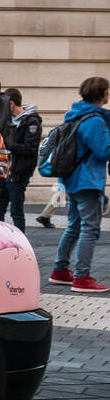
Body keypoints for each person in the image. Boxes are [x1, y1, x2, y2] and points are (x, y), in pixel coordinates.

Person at [49, 77, 110, 293]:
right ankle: (82, 277)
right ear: (103, 93)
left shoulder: (75, 116)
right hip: (88, 181)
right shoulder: (94, 121)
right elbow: (104, 151)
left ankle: (60, 270)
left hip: (72, 180)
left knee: (74, 227)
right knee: (89, 230)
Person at [0, 88, 41, 233]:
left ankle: (20, 245)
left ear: (11, 104)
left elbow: (30, 148)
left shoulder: (31, 122)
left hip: (18, 173)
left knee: (16, 212)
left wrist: (9, 145)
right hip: (5, 172)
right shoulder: (7, 121)